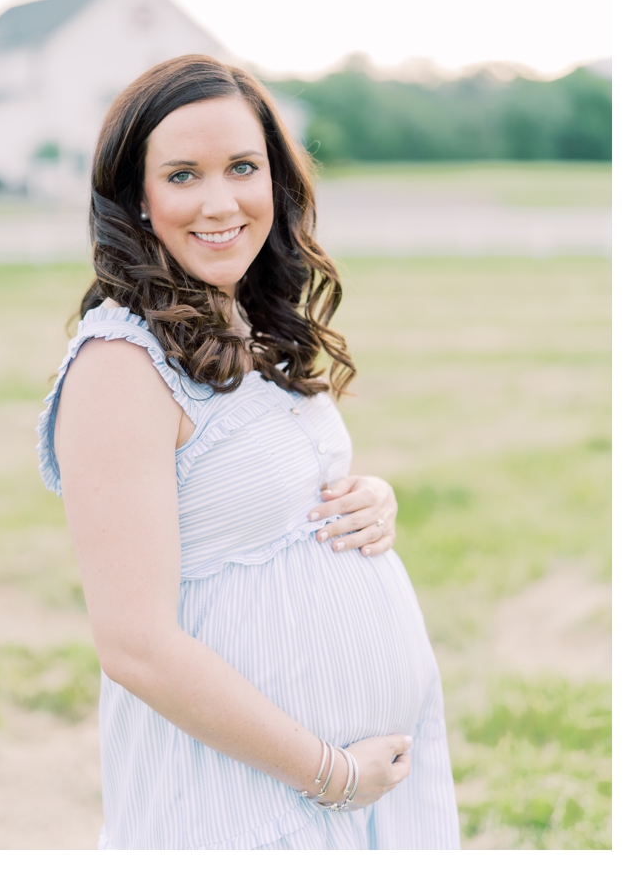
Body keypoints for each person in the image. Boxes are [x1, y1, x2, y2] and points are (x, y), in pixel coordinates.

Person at [37, 56, 459, 849]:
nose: (220, 201)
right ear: (137, 198)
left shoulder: (249, 321)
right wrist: (331, 774)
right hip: (248, 803)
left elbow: (258, 498)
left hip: (364, 788)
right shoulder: (120, 366)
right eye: (183, 175)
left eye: (242, 166)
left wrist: (368, 496)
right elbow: (135, 643)